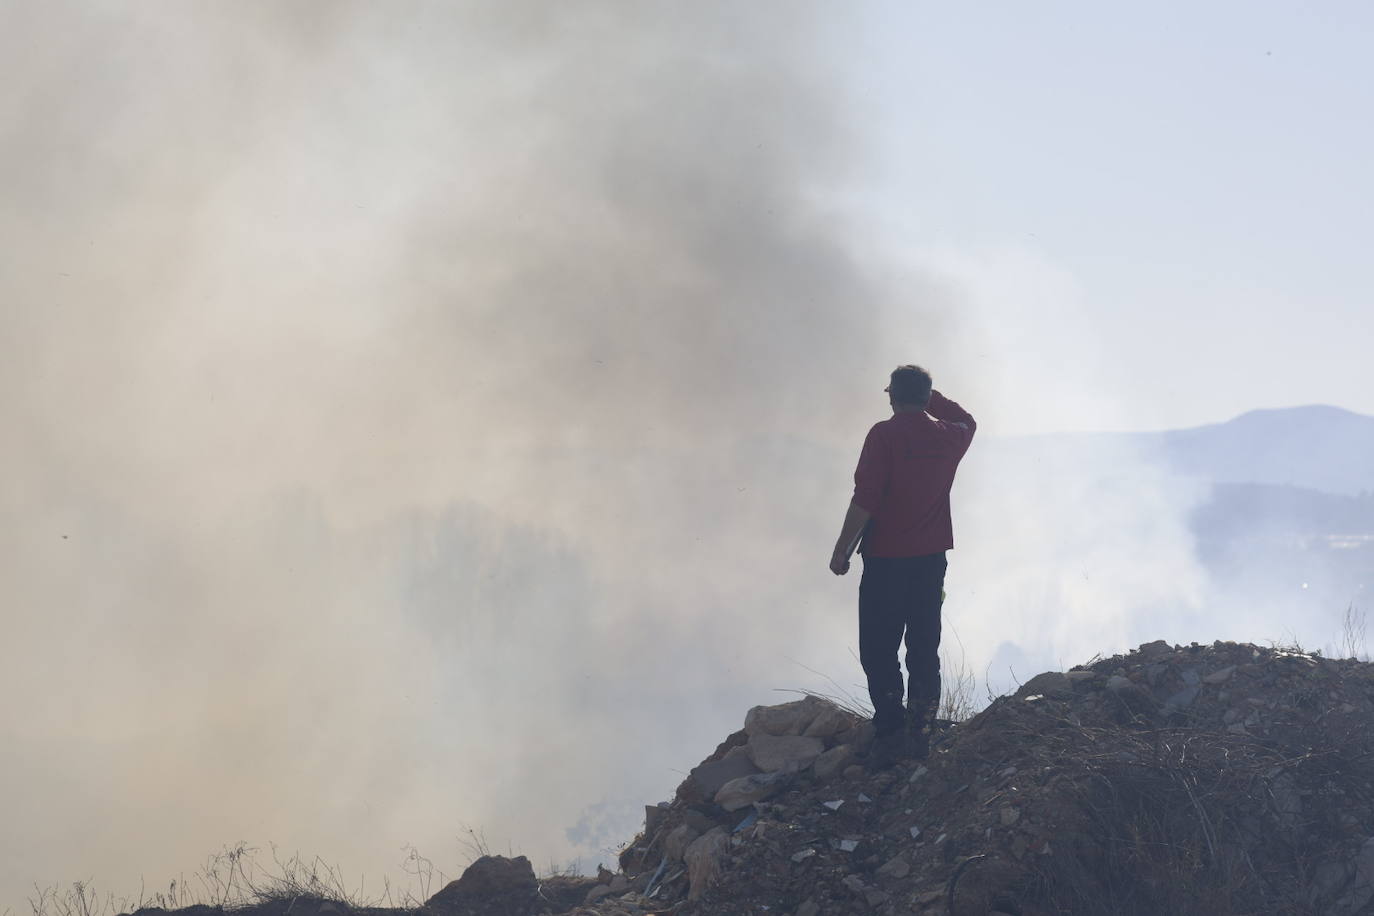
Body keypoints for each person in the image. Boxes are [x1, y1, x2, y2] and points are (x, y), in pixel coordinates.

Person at [829, 365, 975, 766]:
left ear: (892, 395)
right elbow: (967, 419)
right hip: (930, 562)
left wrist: (842, 548)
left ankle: (890, 729)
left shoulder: (884, 435)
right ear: (927, 397)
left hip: (885, 562)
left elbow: (866, 498)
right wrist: (931, 396)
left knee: (879, 648)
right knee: (924, 646)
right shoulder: (950, 436)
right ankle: (922, 730)